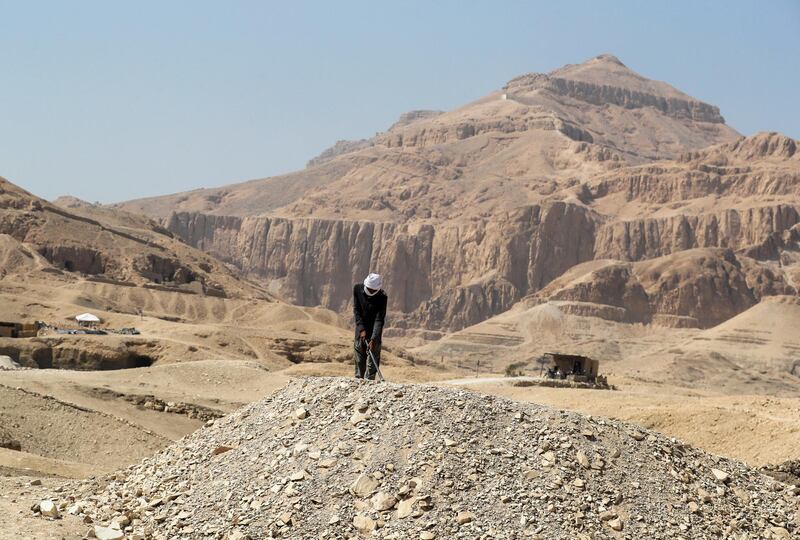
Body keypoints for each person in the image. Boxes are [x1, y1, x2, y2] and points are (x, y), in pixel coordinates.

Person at [353, 272, 387, 380]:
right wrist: (361, 329)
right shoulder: (357, 289)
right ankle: (358, 380)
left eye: (373, 290)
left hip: (375, 330)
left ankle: (370, 381)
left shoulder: (382, 297)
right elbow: (356, 310)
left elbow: (379, 319)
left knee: (373, 355)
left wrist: (374, 338)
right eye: (369, 289)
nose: (371, 292)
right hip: (361, 329)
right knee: (359, 356)